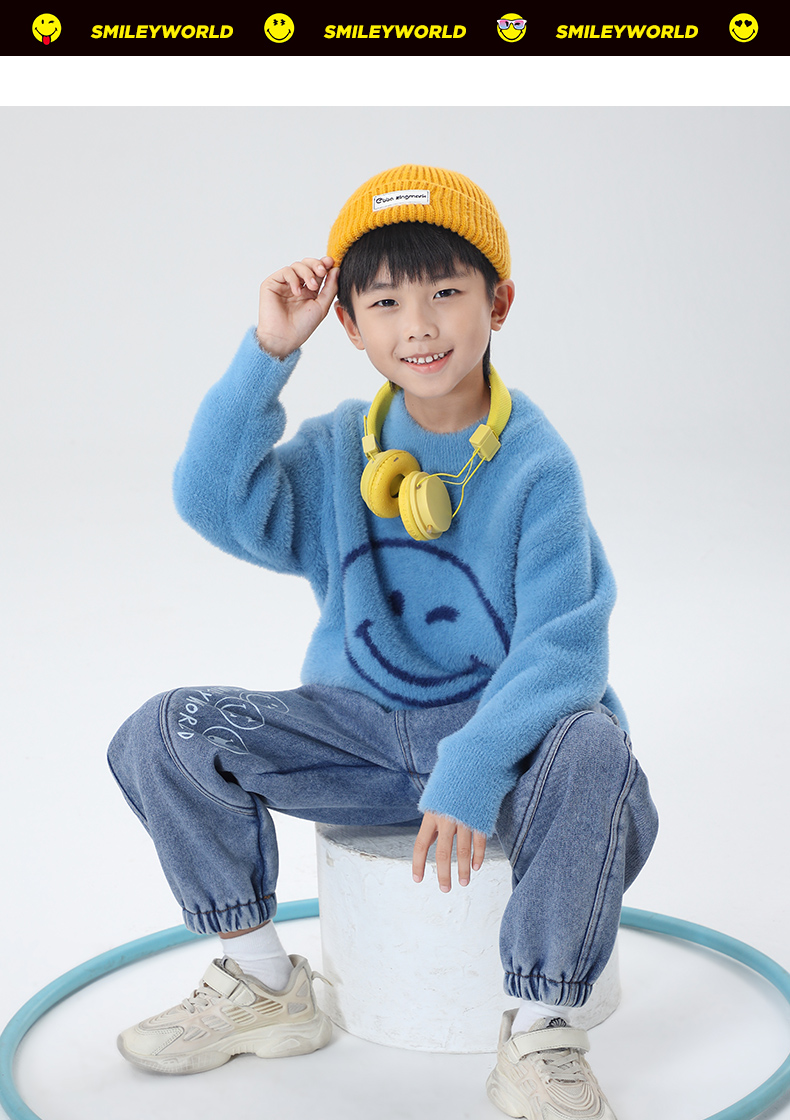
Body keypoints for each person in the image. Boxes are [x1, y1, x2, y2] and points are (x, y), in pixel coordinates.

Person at [108, 165, 658, 1118]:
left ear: (498, 303)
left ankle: (541, 1025)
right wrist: (267, 353)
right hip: (356, 733)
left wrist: (475, 763)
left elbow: (565, 651)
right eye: (387, 302)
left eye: (446, 292)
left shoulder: (537, 464)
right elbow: (208, 498)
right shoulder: (339, 450)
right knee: (165, 730)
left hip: (508, 745)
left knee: (596, 743)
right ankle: (262, 979)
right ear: (351, 326)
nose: (420, 325)